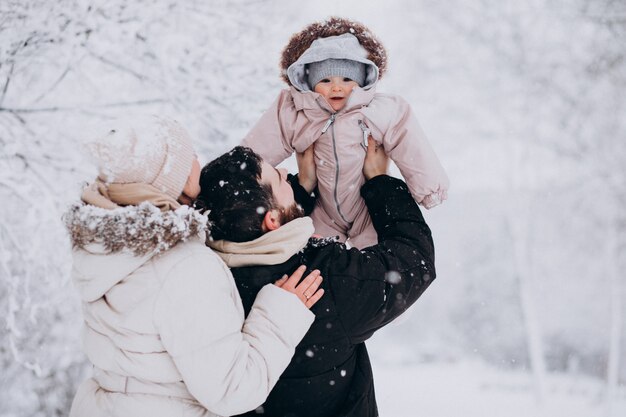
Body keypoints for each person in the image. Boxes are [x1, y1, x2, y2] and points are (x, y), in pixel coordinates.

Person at [63, 115, 324, 417]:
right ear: (179, 181)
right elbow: (232, 390)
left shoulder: (107, 250)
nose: (199, 161)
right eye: (191, 158)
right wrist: (279, 314)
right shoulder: (184, 268)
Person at [196, 140, 437, 417]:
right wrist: (382, 182)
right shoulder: (324, 279)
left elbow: (259, 234)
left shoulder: (205, 281)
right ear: (272, 220)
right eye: (279, 179)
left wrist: (299, 191)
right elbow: (413, 261)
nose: (287, 174)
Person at [242, 17, 449, 249]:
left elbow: (407, 139)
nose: (337, 87)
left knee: (376, 256)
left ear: (362, 81)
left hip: (367, 206)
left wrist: (428, 186)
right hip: (322, 208)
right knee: (314, 257)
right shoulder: (297, 112)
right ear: (308, 83)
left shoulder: (378, 110)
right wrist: (241, 178)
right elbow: (263, 143)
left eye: (347, 79)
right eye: (326, 80)